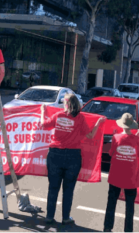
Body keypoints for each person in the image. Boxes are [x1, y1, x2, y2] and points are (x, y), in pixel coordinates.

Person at [40, 94, 106, 225]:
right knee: (68, 190)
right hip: (73, 157)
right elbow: (91, 135)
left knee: (53, 188)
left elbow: (43, 124)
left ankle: (49, 216)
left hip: (55, 155)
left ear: (66, 104)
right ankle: (65, 218)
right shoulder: (81, 118)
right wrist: (98, 123)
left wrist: (43, 111)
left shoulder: (58, 116)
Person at [104, 113, 139, 232]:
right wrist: (138, 136)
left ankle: (107, 227)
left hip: (116, 175)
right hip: (131, 177)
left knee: (111, 202)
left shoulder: (116, 137)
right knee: (130, 205)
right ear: (132, 125)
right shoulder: (136, 139)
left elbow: (110, 153)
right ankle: (128, 230)